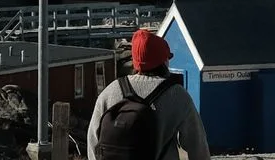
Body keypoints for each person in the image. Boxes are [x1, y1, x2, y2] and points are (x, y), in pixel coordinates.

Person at [86, 28, 210, 160]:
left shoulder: (110, 92)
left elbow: (93, 141)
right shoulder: (177, 95)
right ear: (163, 62)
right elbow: (197, 145)